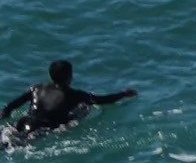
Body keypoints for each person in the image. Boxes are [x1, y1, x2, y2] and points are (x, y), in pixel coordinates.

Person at [3, 60, 136, 144]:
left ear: (50, 76)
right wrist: (123, 94)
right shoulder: (75, 95)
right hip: (40, 129)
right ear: (69, 77)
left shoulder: (36, 89)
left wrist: (3, 116)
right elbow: (102, 100)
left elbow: (9, 107)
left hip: (22, 122)